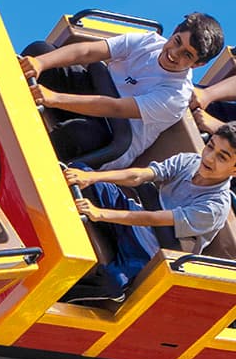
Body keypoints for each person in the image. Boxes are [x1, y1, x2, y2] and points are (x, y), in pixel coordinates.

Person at [19, 13, 225, 169]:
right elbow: (88, 51)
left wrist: (54, 98)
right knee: (41, 50)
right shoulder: (149, 42)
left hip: (114, 134)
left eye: (186, 55)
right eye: (177, 42)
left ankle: (24, 157)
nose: (174, 53)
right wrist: (39, 63)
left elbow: (115, 108)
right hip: (94, 92)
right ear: (173, 34)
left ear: (197, 64)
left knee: (77, 134)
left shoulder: (176, 95)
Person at [61, 123, 236, 304]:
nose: (208, 158)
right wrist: (91, 177)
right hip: (130, 213)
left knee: (112, 283)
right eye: (210, 147)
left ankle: (57, 299)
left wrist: (99, 214)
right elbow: (140, 175)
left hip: (147, 252)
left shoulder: (215, 207)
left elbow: (154, 219)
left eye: (222, 157)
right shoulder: (190, 161)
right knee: (79, 172)